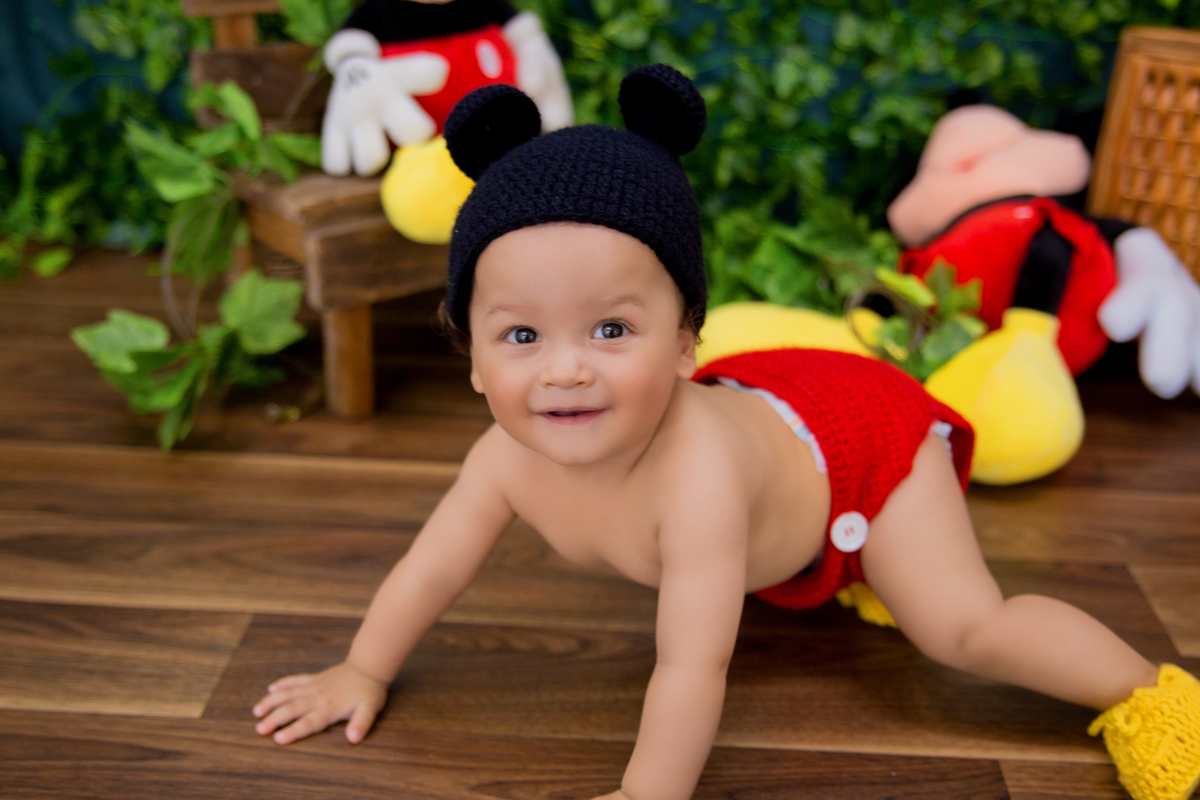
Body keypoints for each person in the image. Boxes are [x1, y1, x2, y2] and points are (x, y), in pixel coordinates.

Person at [252, 65, 1200, 800]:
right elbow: (429, 570)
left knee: (961, 629)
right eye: (521, 336)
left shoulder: (694, 481)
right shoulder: (500, 459)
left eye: (611, 330)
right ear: (472, 358)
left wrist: (647, 791)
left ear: (683, 345)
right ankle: (843, 567)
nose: (564, 369)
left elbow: (693, 662)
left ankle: (1152, 697)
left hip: (858, 447)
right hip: (775, 413)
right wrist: (362, 667)